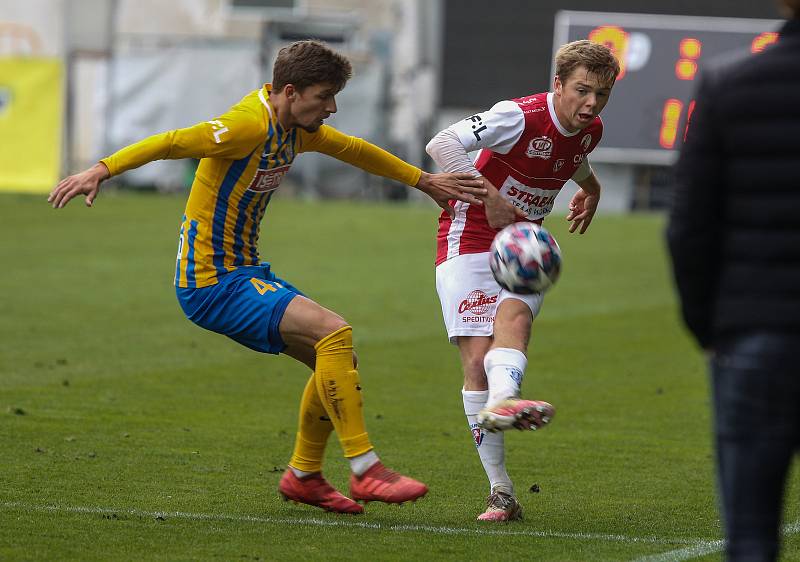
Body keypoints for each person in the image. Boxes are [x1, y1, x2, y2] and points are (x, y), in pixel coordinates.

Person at [49, 40, 487, 515]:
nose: (331, 107)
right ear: (292, 91)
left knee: (338, 358)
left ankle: (304, 475)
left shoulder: (296, 128)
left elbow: (355, 150)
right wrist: (101, 169)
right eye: (324, 96)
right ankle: (366, 469)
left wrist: (423, 182)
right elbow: (173, 141)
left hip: (242, 272)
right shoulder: (247, 126)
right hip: (213, 282)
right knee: (334, 332)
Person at [426, 40, 619, 521]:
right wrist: (489, 196)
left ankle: (504, 402)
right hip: (468, 235)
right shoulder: (517, 116)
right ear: (558, 85)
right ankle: (502, 490)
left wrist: (590, 188)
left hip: (525, 246)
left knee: (515, 320)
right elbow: (442, 144)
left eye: (602, 94)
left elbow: (572, 156)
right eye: (582, 91)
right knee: (476, 358)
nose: (591, 103)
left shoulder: (589, 129)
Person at [667, 2, 800, 559]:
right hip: (754, 330)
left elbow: (689, 228)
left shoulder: (730, 83)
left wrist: (713, 329)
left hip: (755, 336)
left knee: (749, 537)